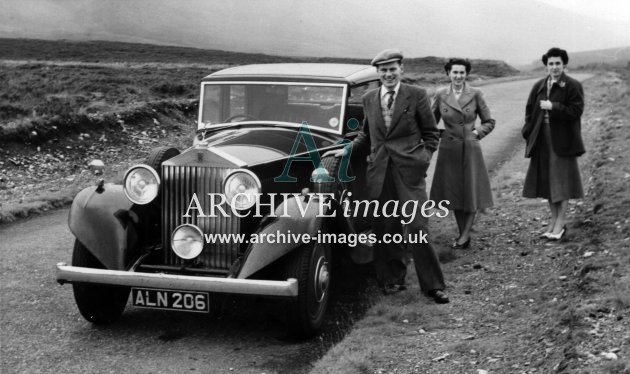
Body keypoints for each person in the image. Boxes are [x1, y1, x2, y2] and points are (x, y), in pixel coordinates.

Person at [324, 49, 449, 303]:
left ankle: (433, 285)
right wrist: (346, 150)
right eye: (383, 70)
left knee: (417, 227)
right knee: (386, 228)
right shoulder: (370, 98)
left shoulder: (417, 95)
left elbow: (431, 134)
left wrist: (422, 160)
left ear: (401, 69)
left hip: (410, 171)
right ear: (378, 73)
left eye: (393, 69)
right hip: (379, 172)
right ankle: (393, 279)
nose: (388, 74)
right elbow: (366, 135)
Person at [430, 58, 495, 249]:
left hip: (470, 149)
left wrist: (476, 133)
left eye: (462, 72)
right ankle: (462, 234)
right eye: (454, 72)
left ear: (466, 74)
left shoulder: (476, 94)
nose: (458, 76)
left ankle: (464, 235)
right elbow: (430, 123)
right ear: (448, 74)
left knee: (471, 192)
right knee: (455, 194)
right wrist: (439, 134)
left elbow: (489, 121)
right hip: (449, 150)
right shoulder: (441, 94)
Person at [521, 47, 585, 240]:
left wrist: (553, 107)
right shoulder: (539, 86)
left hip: (562, 141)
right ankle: (553, 220)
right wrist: (528, 131)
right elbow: (530, 111)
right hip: (542, 139)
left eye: (558, 63)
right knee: (548, 181)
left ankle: (561, 222)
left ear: (564, 64)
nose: (554, 67)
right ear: (546, 65)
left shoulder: (572, 85)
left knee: (562, 182)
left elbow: (576, 111)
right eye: (551, 64)